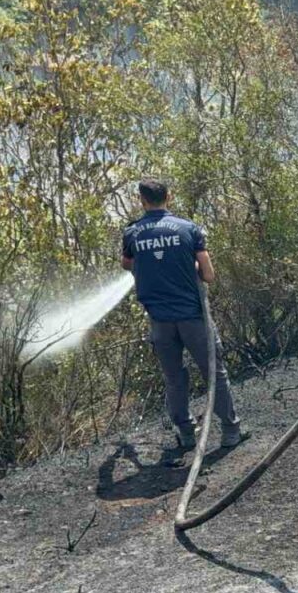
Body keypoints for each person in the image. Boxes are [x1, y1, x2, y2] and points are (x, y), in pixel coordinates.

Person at [121, 178, 246, 463]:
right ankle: (230, 430)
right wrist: (189, 266)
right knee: (214, 373)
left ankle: (187, 434)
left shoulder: (132, 233)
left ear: (141, 200)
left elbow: (127, 265)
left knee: (174, 378)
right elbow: (209, 274)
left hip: (160, 321)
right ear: (169, 197)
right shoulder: (189, 229)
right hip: (193, 317)